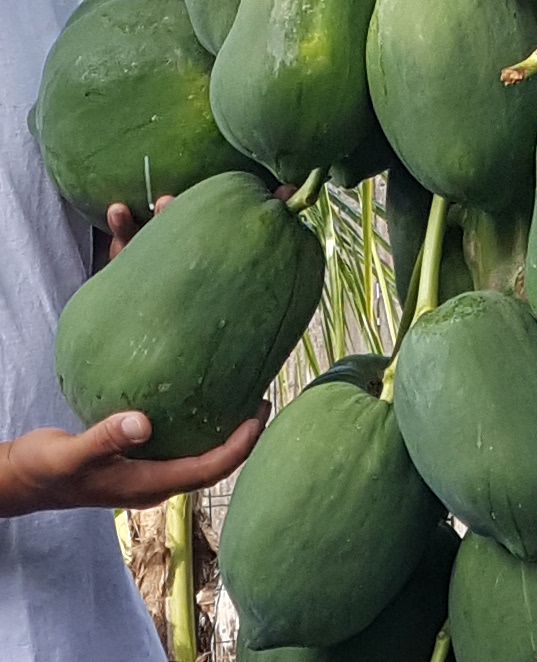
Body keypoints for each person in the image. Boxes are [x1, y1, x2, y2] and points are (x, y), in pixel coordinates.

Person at [0, 2, 270, 660]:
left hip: (90, 625)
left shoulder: (61, 14)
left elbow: (52, 265)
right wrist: (13, 479)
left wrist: (130, 275)